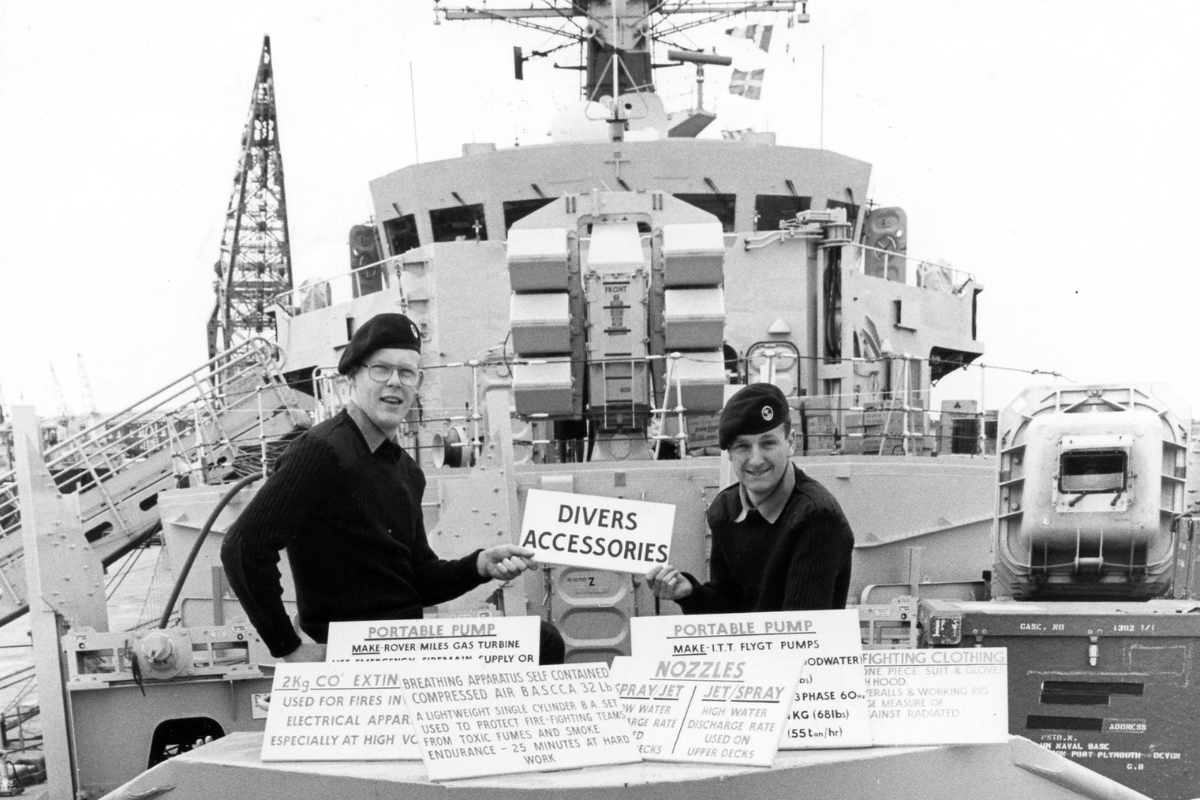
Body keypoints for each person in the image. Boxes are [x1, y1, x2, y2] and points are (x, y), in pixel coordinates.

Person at [221, 312, 563, 663]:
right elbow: (243, 547)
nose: (395, 382)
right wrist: (288, 648)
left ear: (418, 382)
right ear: (352, 377)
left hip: (402, 644)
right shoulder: (322, 450)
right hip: (358, 652)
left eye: (406, 372)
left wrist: (479, 565)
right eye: (381, 369)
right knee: (541, 644)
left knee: (542, 641)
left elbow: (420, 579)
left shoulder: (406, 470)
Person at [646, 382, 854, 613]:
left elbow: (802, 627)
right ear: (729, 454)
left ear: (791, 443)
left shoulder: (817, 516)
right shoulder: (725, 509)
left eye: (768, 443)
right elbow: (729, 605)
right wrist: (690, 594)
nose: (756, 460)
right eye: (743, 447)